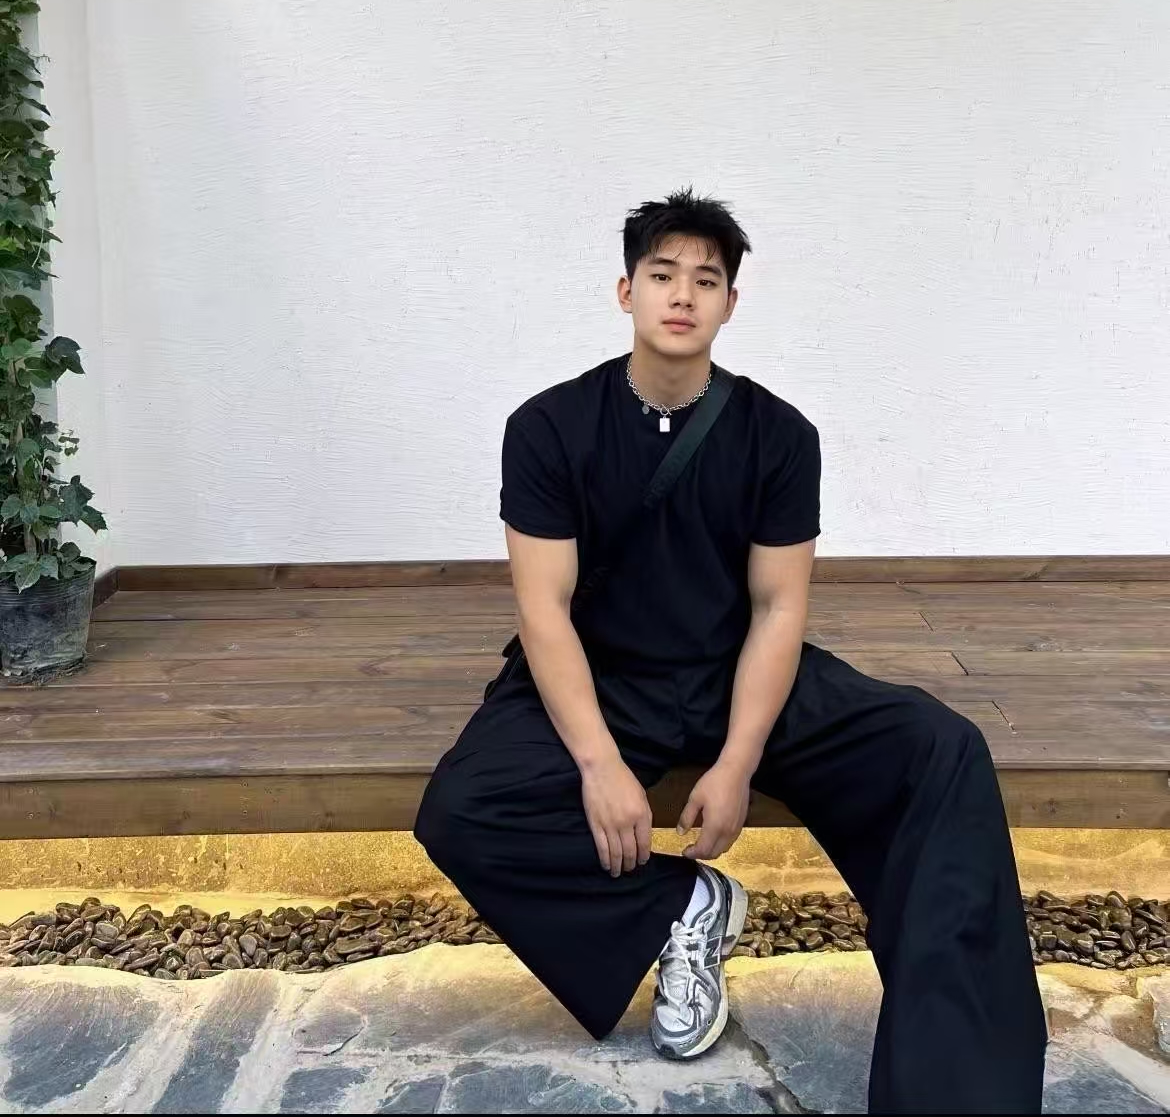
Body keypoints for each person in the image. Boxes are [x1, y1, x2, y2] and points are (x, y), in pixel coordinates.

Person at [414, 187, 1047, 1113]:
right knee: (463, 809)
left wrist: (740, 760)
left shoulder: (779, 436)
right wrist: (598, 763)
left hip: (737, 670)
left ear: (730, 304)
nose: (682, 295)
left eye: (705, 280)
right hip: (604, 673)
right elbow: (544, 610)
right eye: (662, 275)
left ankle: (955, 1093)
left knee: (940, 751)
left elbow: (778, 607)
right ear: (625, 291)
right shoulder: (548, 428)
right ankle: (681, 908)